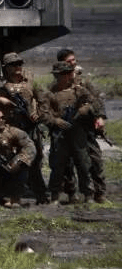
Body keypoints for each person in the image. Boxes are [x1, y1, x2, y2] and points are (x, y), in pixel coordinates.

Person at [0, 52, 48, 204]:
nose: (18, 67)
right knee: (10, 162)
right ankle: (10, 196)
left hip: (29, 128)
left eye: (19, 64)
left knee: (34, 162)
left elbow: (44, 101)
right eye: (13, 65)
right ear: (6, 68)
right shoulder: (0, 86)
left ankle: (41, 195)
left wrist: (38, 114)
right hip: (10, 129)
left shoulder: (30, 82)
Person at [39, 61, 96, 204]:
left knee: (83, 164)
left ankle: (88, 195)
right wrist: (55, 121)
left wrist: (86, 109)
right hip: (59, 133)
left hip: (77, 131)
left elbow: (94, 102)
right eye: (59, 75)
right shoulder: (50, 92)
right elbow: (43, 113)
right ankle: (55, 196)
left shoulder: (79, 90)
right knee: (58, 166)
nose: (62, 78)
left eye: (65, 74)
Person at [56, 49, 107, 203]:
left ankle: (99, 193)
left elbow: (97, 100)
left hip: (86, 128)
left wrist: (99, 117)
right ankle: (72, 193)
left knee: (95, 161)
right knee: (68, 164)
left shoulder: (83, 82)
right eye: (69, 61)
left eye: (74, 60)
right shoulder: (57, 84)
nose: (73, 63)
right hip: (67, 129)